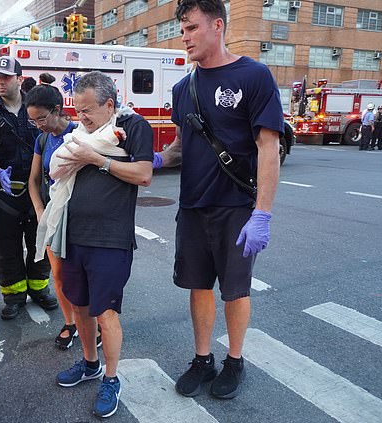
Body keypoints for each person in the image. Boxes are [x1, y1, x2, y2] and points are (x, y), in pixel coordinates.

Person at [154, 0, 282, 400]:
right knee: (197, 287)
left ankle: (235, 360)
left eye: (192, 28)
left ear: (217, 26)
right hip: (192, 207)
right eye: (183, 29)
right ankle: (203, 358)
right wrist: (153, 160)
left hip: (236, 208)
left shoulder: (255, 76)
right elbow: (180, 146)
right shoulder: (182, 88)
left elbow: (268, 147)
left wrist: (262, 212)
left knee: (236, 290)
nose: (184, 36)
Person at [53, 71, 153, 418]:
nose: (81, 118)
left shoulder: (134, 127)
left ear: (109, 105)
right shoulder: (80, 134)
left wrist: (98, 160)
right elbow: (59, 167)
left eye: (88, 111)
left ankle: (111, 378)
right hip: (74, 234)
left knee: (105, 312)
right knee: (79, 306)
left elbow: (143, 174)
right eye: (77, 110)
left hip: (110, 238)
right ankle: (90, 364)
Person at [0, 57, 58, 319]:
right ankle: (13, 295)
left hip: (38, 191)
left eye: (6, 77)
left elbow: (54, 137)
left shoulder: (37, 106)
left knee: (39, 243)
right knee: (7, 247)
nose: (0, 82)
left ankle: (39, 289)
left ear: (19, 79)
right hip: (6, 193)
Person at [26, 73, 103, 350]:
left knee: (83, 276)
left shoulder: (79, 133)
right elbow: (34, 180)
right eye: (32, 121)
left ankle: (94, 326)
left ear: (57, 111)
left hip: (79, 217)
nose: (38, 125)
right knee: (58, 274)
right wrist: (39, 210)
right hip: (52, 215)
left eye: (42, 119)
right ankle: (70, 323)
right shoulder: (42, 140)